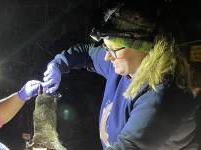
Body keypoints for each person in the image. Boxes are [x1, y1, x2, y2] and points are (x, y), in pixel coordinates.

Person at [42, 2, 199, 149]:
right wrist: (57, 65)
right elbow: (86, 53)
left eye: (112, 49)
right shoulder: (122, 62)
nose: (107, 57)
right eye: (106, 47)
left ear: (144, 47)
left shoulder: (162, 95)